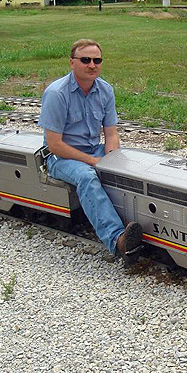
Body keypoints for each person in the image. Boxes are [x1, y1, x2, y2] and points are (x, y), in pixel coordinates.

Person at [38, 38, 143, 260]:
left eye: (97, 60)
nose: (92, 65)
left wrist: (111, 158)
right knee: (87, 176)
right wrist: (93, 161)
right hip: (60, 158)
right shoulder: (57, 93)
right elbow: (55, 144)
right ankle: (117, 240)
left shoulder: (105, 90)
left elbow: (111, 133)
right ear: (72, 63)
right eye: (85, 60)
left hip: (93, 149)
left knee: (125, 164)